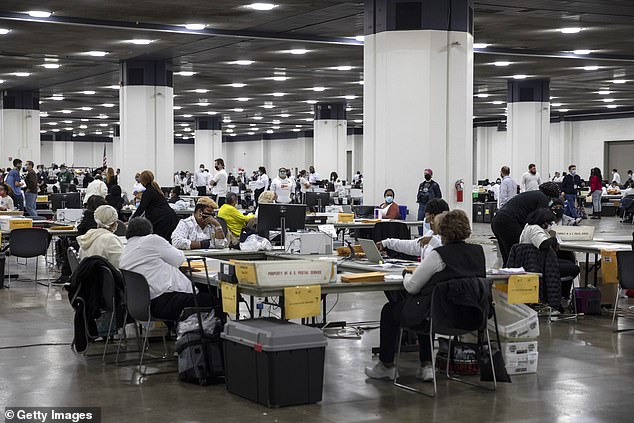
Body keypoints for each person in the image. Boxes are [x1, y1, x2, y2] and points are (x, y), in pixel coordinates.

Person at [365, 209, 486, 381]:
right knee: (426, 305)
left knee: (395, 310)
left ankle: (387, 365)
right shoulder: (478, 253)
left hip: (440, 318)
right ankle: (426, 365)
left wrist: (406, 274)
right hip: (472, 317)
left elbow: (412, 287)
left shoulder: (439, 255)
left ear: (441, 230)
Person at [120, 217, 214, 321]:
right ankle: (214, 335)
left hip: (140, 305)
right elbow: (179, 258)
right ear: (149, 230)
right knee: (213, 300)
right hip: (163, 302)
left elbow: (150, 264)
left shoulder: (126, 249)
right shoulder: (152, 240)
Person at [519, 208, 580, 310]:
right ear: (543, 222)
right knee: (574, 268)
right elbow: (543, 244)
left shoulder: (527, 227)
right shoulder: (535, 229)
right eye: (549, 223)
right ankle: (557, 295)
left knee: (568, 261)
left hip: (532, 262)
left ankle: (560, 295)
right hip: (539, 265)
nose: (550, 225)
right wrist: (553, 239)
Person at [491, 182, 561, 265]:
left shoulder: (534, 194)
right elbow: (542, 218)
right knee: (517, 255)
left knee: (508, 257)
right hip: (509, 221)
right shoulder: (543, 198)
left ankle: (508, 274)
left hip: (497, 220)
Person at [377, 198, 449, 259]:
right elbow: (411, 245)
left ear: (432, 217)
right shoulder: (430, 234)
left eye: (426, 216)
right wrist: (386, 243)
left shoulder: (449, 238)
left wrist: (433, 241)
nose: (425, 220)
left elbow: (446, 252)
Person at [131, 170, 179, 242]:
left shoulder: (148, 192)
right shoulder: (156, 189)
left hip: (162, 220)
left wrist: (132, 220)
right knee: (166, 243)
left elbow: (141, 208)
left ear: (142, 181)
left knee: (159, 243)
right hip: (170, 217)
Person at [416, 168, 442, 236]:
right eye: (425, 174)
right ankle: (420, 235)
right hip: (422, 205)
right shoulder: (421, 185)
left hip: (431, 206)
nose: (426, 175)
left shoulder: (435, 185)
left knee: (430, 221)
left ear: (431, 175)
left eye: (427, 174)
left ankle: (431, 235)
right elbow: (418, 194)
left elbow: (439, 196)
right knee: (420, 220)